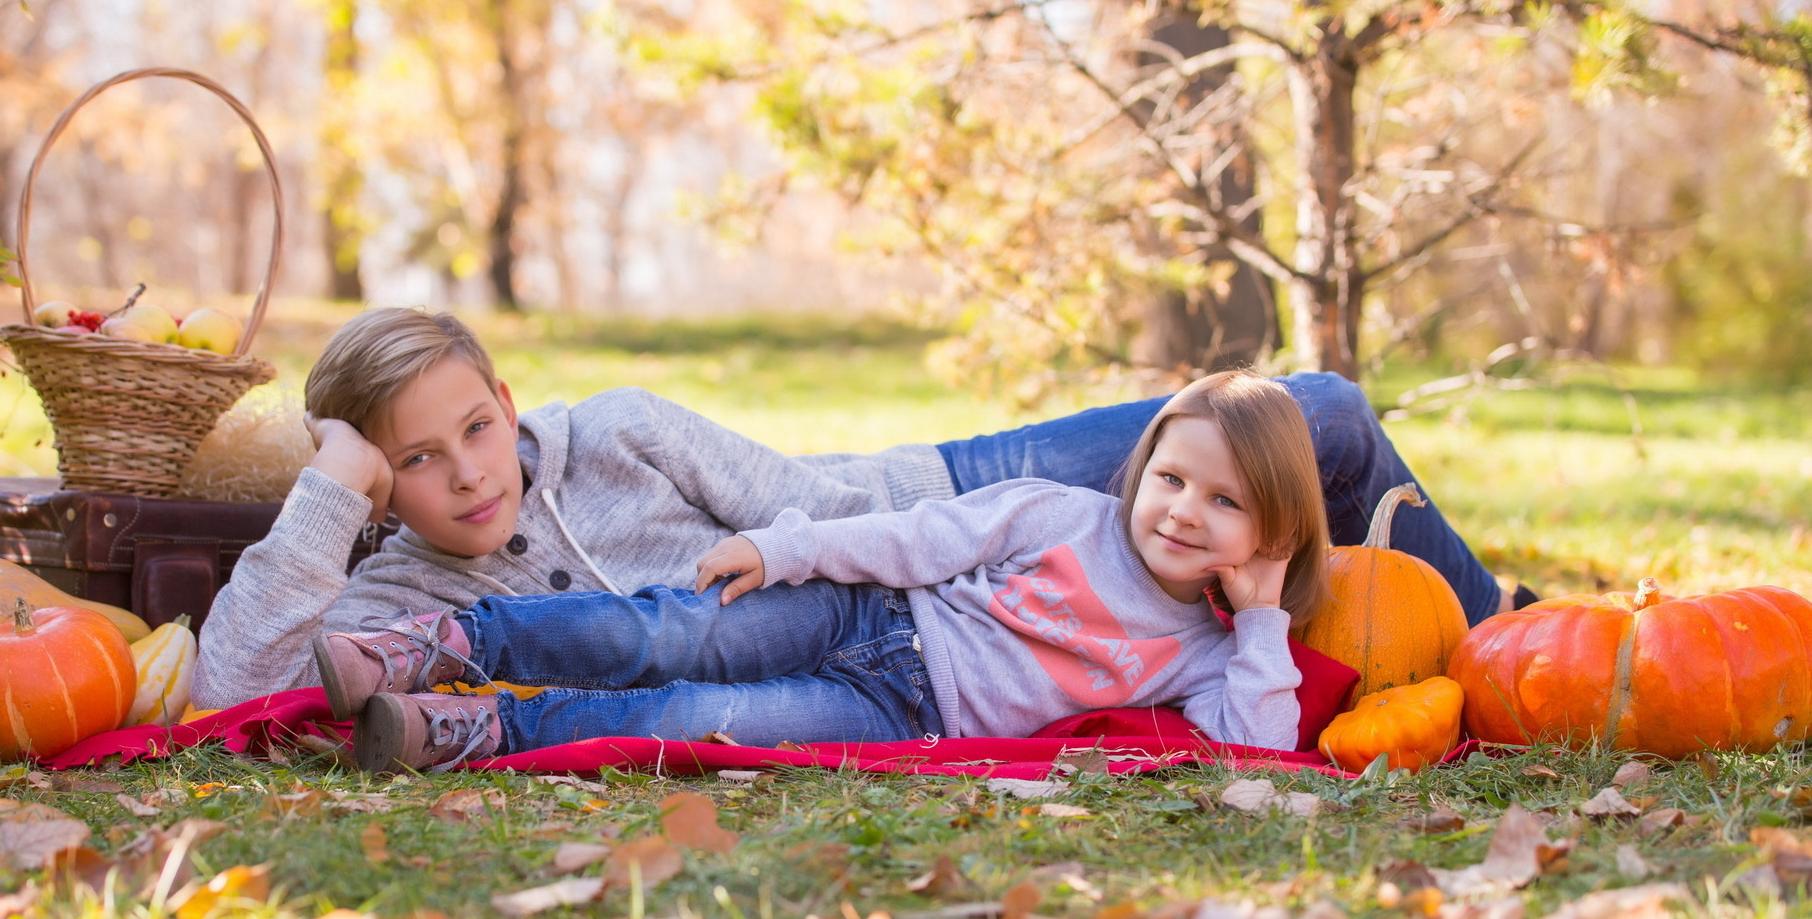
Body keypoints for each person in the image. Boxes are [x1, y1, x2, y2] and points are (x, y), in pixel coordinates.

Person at [192, 308, 1516, 710]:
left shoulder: (621, 430)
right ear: (376, 479)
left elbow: (809, 505)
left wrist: (1039, 543)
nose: (471, 473)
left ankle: (1516, 639)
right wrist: (330, 490)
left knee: (1325, 415)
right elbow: (229, 686)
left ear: (506, 391)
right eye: (417, 462)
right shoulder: (409, 588)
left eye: (477, 425)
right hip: (903, 647)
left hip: (953, 512)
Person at [321, 371, 1330, 771]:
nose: (1183, 511)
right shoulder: (1058, 516)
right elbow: (914, 538)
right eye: (1170, 478)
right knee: (667, 632)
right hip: (864, 611)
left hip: (901, 715)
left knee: (686, 719)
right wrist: (784, 548)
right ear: (1141, 469)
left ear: (1272, 531)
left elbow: (1260, 745)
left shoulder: (1208, 652)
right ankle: (450, 645)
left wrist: (1258, 621)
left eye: (1227, 501)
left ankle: (479, 727)